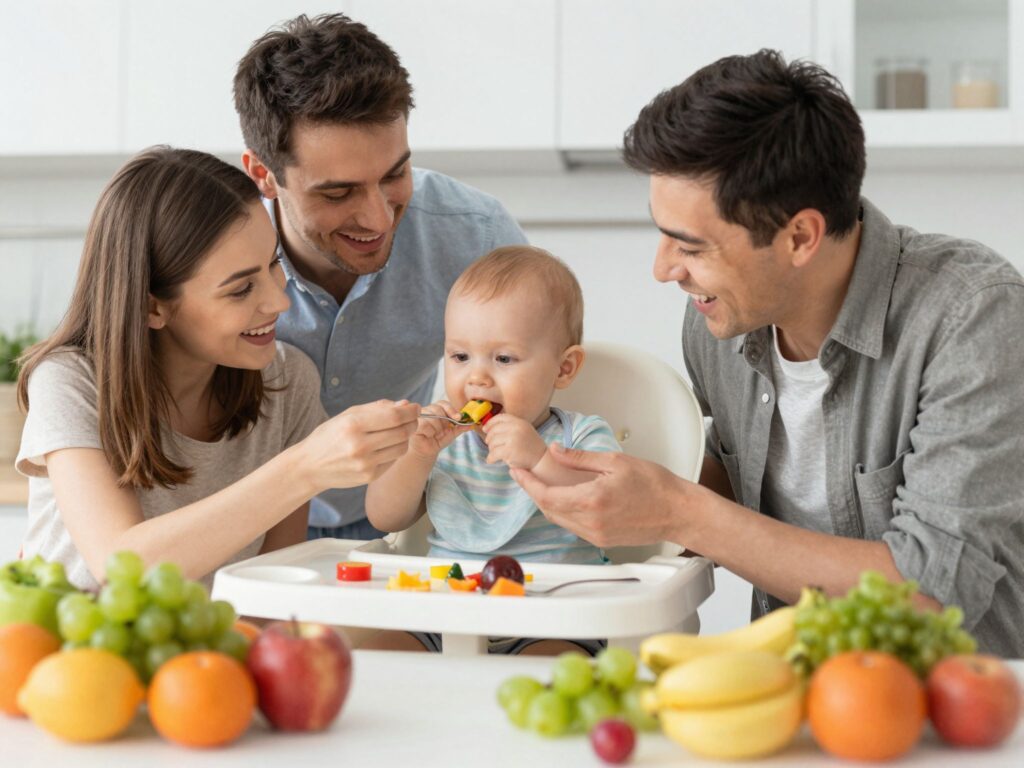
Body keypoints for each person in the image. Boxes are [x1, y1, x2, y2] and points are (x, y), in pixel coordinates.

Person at [511, 50, 1024, 657]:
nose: (663, 269)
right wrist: (577, 456)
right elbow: (744, 485)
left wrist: (678, 511)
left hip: (955, 713)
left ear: (800, 236)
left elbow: (929, 592)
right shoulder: (716, 324)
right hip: (784, 686)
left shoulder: (973, 316)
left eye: (691, 247)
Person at [15, 148, 419, 590]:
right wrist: (306, 467)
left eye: (273, 265)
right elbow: (120, 565)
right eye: (241, 288)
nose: (279, 302)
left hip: (208, 657)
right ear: (153, 306)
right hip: (71, 653)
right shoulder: (70, 381)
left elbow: (271, 593)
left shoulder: (287, 383)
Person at [233, 13, 527, 542]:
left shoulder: (476, 238)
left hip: (399, 521)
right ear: (264, 175)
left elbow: (536, 380)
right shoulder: (219, 257)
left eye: (394, 175)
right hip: (247, 520)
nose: (377, 218)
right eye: (337, 193)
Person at [365, 246, 621, 653]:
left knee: (551, 670)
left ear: (564, 367)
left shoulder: (581, 437)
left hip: (555, 618)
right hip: (443, 615)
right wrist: (416, 457)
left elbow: (609, 503)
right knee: (377, 656)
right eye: (460, 356)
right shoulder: (442, 439)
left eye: (503, 358)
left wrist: (538, 459)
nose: (477, 377)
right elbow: (383, 517)